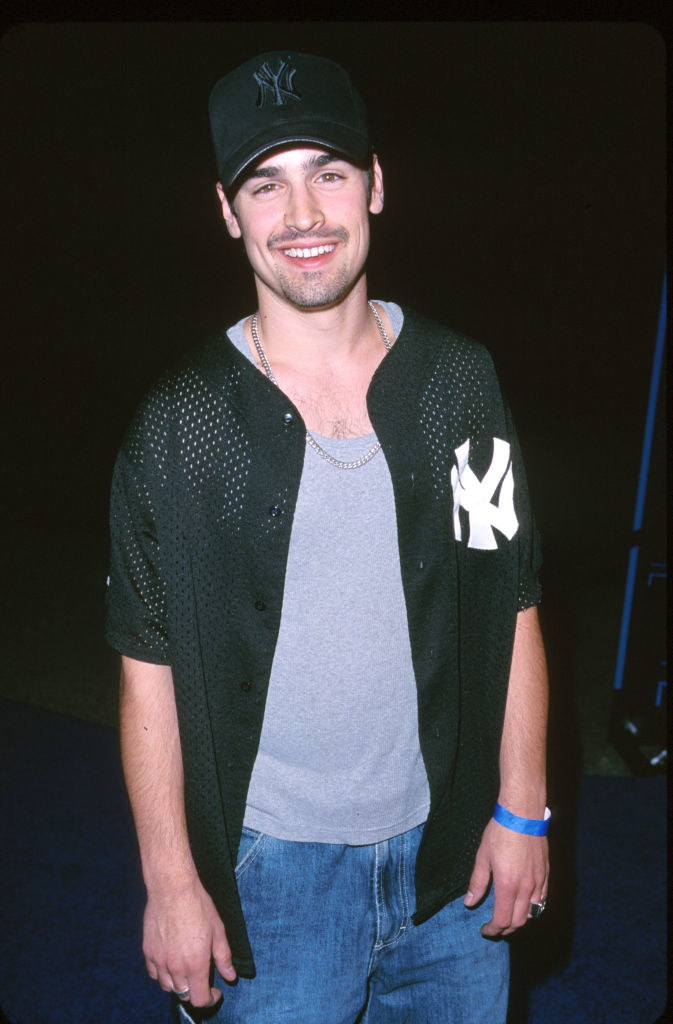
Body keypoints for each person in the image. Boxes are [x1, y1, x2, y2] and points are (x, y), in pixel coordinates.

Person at [106, 50, 550, 1024]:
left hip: (449, 873)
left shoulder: (458, 387)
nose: (302, 216)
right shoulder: (181, 426)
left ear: (376, 185)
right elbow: (149, 667)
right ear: (228, 212)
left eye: (329, 173)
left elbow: (509, 597)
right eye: (267, 184)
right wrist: (172, 880)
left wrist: (521, 810)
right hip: (274, 882)